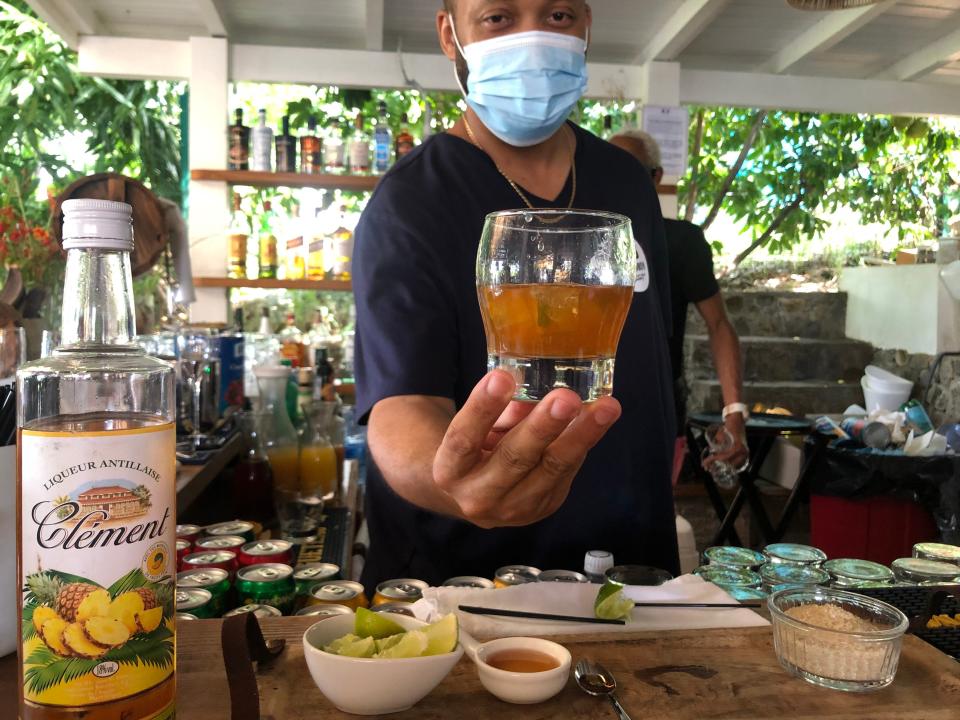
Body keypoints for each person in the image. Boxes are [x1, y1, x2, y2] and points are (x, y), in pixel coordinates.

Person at [352, 0, 679, 589]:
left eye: (558, 16)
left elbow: (650, 356)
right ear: (450, 34)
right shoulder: (411, 202)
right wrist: (459, 481)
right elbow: (400, 410)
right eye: (499, 17)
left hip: (630, 566)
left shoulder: (627, 183)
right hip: (474, 584)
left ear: (586, 27)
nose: (533, 41)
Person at [609, 130, 748, 482]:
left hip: (657, 407)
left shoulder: (681, 242)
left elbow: (719, 326)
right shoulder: (582, 237)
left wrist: (734, 413)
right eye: (611, 169)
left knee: (647, 521)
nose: (619, 180)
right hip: (585, 406)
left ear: (655, 177)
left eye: (632, 170)